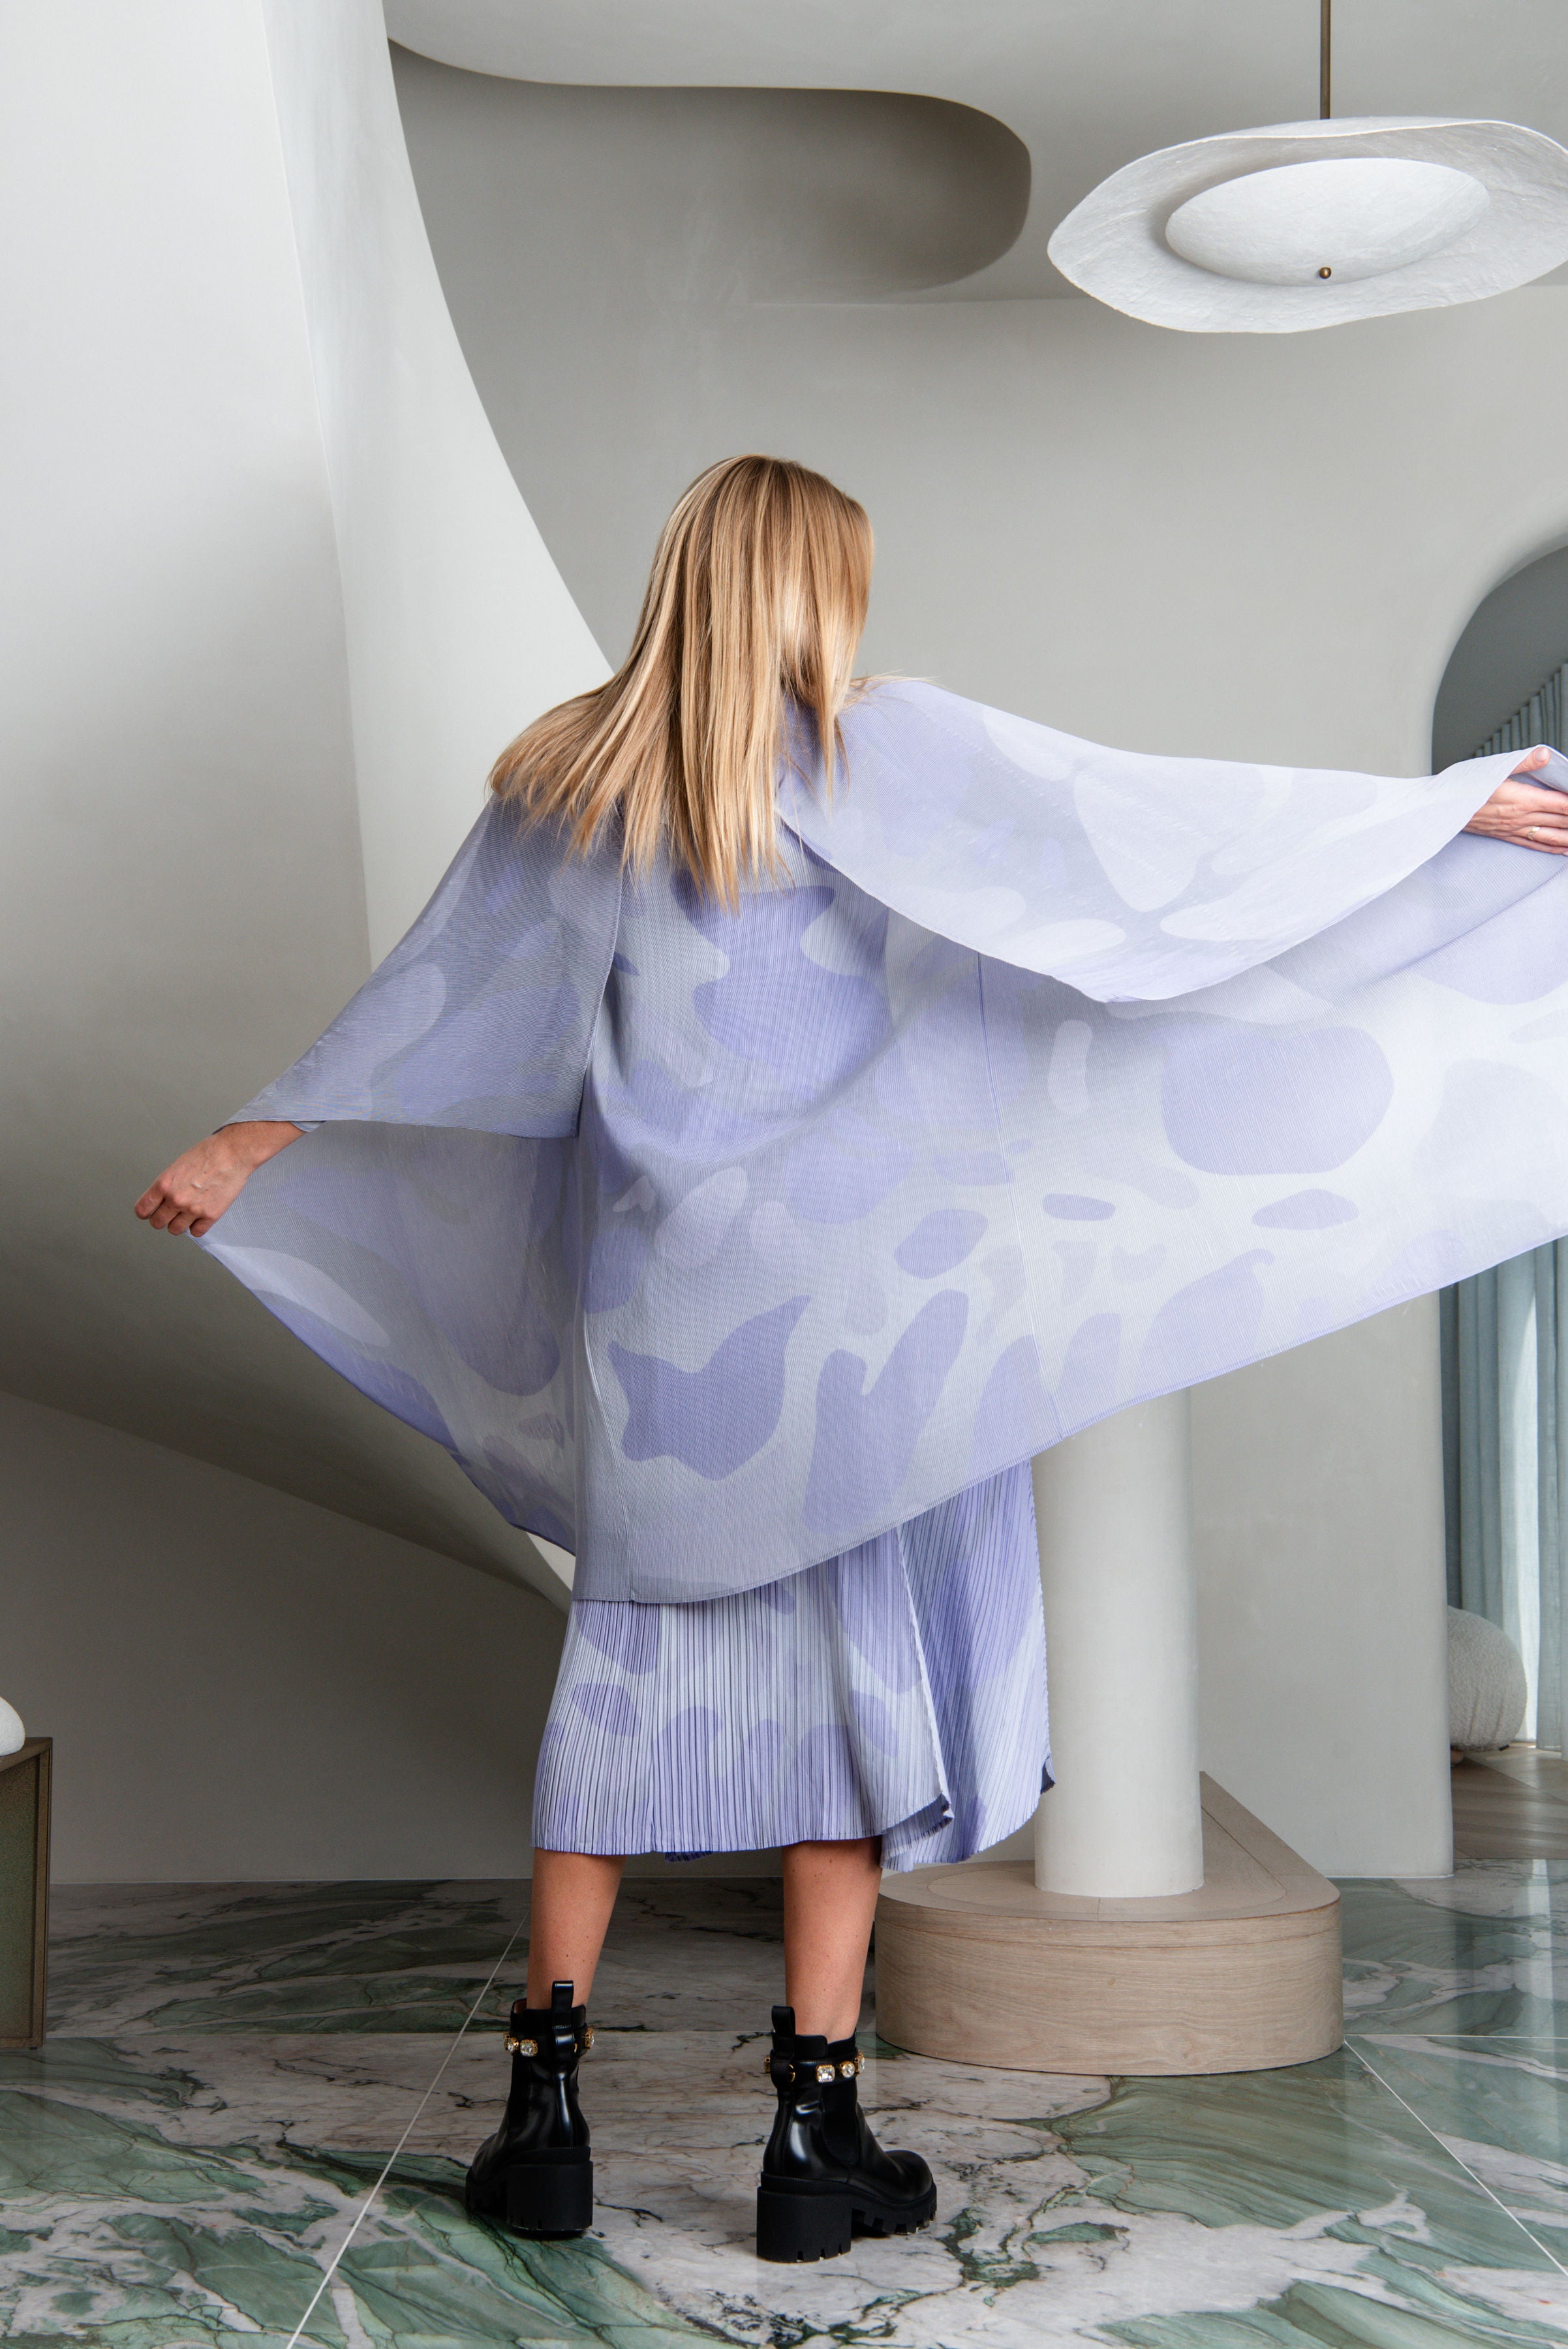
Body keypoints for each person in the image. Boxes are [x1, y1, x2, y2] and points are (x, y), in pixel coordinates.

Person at [136, 454, 1568, 2264]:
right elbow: (1144, 852)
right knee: (845, 1720)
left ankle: (543, 2120)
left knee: (618, 1704)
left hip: (666, 1335)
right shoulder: (880, 747)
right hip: (863, 1335)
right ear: (819, 585)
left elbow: (442, 1005)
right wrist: (1427, 826)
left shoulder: (572, 776)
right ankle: (813, 2141)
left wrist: (249, 1141)